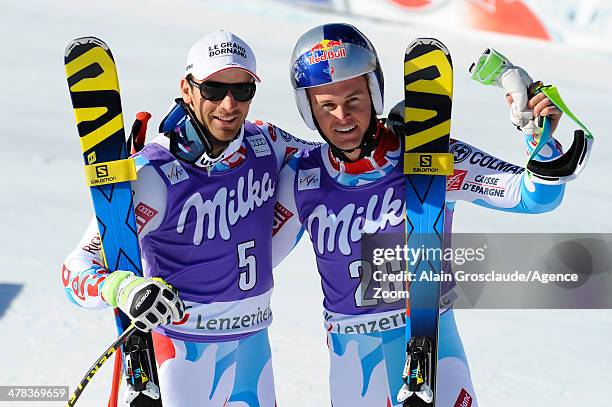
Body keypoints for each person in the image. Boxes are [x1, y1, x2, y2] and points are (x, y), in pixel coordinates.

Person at [272, 23, 573, 406]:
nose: (342, 117)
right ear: (308, 108)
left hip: (435, 350)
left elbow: (535, 197)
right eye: (326, 105)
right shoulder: (301, 177)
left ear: (375, 93)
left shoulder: (429, 157)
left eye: (354, 100)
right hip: (354, 365)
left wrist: (538, 135)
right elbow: (254, 263)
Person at [62, 29, 317, 407]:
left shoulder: (266, 142)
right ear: (187, 88)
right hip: (180, 352)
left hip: (252, 345)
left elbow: (336, 159)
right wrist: (126, 290)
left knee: (307, 176)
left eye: (242, 90)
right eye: (214, 90)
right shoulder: (153, 174)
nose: (229, 105)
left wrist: (391, 137)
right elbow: (74, 271)